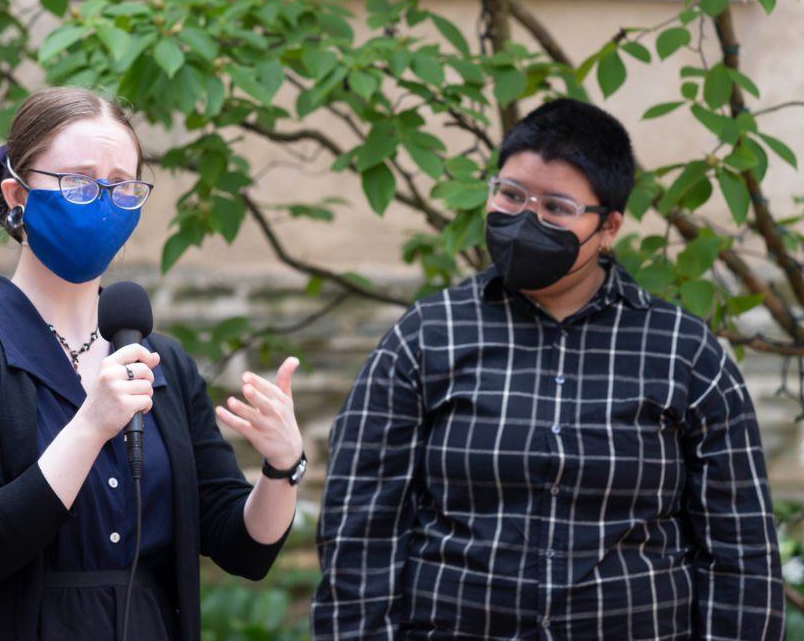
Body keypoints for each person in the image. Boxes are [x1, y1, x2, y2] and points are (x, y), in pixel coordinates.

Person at [312, 98, 784, 639]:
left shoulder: (684, 353)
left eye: (557, 208)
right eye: (510, 195)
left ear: (608, 227)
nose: (524, 220)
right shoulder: (426, 337)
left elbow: (740, 549)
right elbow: (360, 528)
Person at [0, 86, 308, 641]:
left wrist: (283, 467)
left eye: (122, 185)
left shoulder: (163, 361)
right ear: (18, 194)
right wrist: (91, 426)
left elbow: (241, 547)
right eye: (80, 182)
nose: (105, 200)